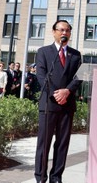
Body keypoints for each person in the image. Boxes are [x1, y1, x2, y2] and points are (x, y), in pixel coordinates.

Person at [34, 20, 82, 183]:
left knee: (62, 143)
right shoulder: (44, 52)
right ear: (53, 32)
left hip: (67, 104)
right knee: (44, 143)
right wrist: (56, 94)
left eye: (67, 30)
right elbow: (41, 76)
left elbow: (78, 77)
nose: (64, 33)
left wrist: (67, 91)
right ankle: (40, 177)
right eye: (61, 30)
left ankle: (56, 177)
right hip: (49, 104)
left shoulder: (75, 55)